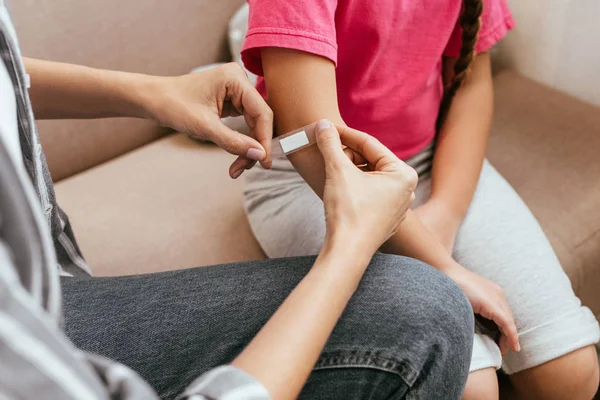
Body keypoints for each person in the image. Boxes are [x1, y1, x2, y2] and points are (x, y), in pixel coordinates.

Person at [0, 3, 475, 399]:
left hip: (47, 289)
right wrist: (347, 248)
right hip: (30, 320)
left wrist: (153, 92)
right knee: (429, 310)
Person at [239, 0, 600, 399]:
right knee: (471, 388)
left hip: (426, 160)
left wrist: (445, 211)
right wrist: (441, 263)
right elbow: (310, 137)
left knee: (572, 374)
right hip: (308, 175)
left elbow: (471, 84)